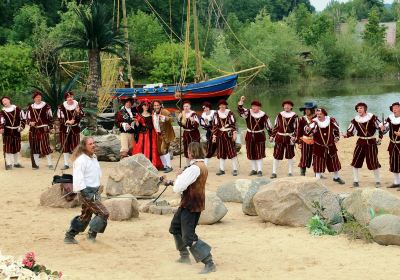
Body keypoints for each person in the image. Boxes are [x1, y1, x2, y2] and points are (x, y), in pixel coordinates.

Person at [169, 142, 216, 274]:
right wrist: (176, 179)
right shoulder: (200, 166)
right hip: (189, 204)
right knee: (175, 228)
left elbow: (178, 187)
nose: (187, 153)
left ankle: (209, 262)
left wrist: (178, 177)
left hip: (191, 205)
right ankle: (184, 257)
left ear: (191, 152)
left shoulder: (194, 168)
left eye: (188, 151)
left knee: (188, 237)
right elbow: (189, 183)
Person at [64, 137, 109, 244]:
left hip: (94, 191)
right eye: (90, 144)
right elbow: (78, 178)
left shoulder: (94, 157)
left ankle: (69, 236)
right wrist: (87, 194)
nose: (93, 145)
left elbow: (96, 174)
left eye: (94, 143)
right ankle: (91, 235)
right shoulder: (80, 160)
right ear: (84, 146)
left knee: (85, 216)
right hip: (86, 192)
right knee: (103, 213)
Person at [343, 103, 383, 188]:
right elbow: (351, 131)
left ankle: (378, 181)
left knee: (374, 162)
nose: (359, 110)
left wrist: (381, 132)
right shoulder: (355, 120)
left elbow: (381, 127)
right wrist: (346, 135)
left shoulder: (372, 118)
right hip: (360, 142)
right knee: (355, 161)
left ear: (365, 109)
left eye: (361, 108)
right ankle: (356, 180)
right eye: (358, 108)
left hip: (371, 142)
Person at [305, 108, 345, 184]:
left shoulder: (331, 120)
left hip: (330, 146)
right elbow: (307, 131)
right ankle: (317, 180)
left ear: (324, 114)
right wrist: (308, 129)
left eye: (320, 114)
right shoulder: (314, 122)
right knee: (318, 163)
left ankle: (336, 177)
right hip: (318, 146)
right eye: (317, 114)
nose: (318, 115)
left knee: (334, 162)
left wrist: (337, 137)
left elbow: (336, 130)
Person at [238, 96, 272, 176]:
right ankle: (254, 169)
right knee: (251, 153)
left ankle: (260, 170)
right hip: (250, 135)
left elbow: (269, 126)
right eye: (252, 106)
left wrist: (271, 135)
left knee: (259, 153)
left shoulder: (264, 115)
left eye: (255, 106)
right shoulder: (248, 113)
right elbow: (240, 111)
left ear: (259, 107)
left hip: (260, 136)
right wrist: (241, 101)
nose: (253, 108)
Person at [57, 91, 85, 170]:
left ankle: (76, 163)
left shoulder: (77, 105)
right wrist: (68, 121)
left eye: (71, 97)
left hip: (75, 129)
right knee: (65, 146)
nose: (70, 98)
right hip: (64, 129)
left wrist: (78, 112)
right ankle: (66, 164)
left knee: (75, 147)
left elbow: (82, 115)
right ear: (66, 98)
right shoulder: (61, 107)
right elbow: (60, 117)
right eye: (68, 97)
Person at [26, 91, 53, 169]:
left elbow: (50, 118)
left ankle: (50, 163)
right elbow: (27, 118)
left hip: (43, 128)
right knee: (35, 146)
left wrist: (50, 127)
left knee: (45, 145)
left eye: (39, 97)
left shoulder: (46, 106)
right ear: (34, 99)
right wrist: (30, 123)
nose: (38, 98)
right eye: (36, 97)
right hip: (33, 130)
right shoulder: (30, 107)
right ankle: (36, 164)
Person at [270, 100, 297, 178]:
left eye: (288, 105)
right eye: (285, 105)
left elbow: (297, 128)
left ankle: (290, 172)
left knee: (290, 155)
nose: (287, 106)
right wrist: (272, 136)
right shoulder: (279, 115)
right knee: (277, 155)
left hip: (289, 138)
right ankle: (274, 172)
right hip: (280, 137)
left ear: (291, 107)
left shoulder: (295, 116)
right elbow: (276, 126)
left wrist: (294, 136)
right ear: (283, 106)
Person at [132, 99, 163, 169]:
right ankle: (142, 165)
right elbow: (137, 127)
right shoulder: (139, 115)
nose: (146, 107)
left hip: (151, 134)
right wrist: (137, 124)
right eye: (144, 105)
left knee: (152, 149)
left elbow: (155, 124)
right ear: (142, 106)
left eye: (147, 105)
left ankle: (152, 164)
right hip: (142, 136)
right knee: (141, 149)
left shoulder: (152, 115)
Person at [213, 99, 238, 176]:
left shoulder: (230, 113)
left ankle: (235, 169)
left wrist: (234, 133)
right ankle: (222, 169)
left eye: (224, 105)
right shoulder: (216, 114)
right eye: (221, 105)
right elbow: (215, 125)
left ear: (225, 106)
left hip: (228, 134)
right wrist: (214, 135)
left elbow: (233, 124)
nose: (222, 106)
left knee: (232, 152)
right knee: (221, 152)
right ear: (219, 106)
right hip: (220, 135)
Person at [0, 96, 25, 170]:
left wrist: (21, 127)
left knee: (16, 147)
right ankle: (9, 164)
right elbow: (1, 121)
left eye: (5, 100)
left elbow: (23, 119)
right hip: (7, 131)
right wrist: (1, 128)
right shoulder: (2, 112)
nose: (4, 102)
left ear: (9, 100)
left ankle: (16, 163)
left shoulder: (17, 109)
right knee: (8, 148)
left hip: (16, 131)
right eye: (3, 102)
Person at [153, 99, 175, 173]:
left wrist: (166, 118)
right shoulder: (153, 113)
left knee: (163, 149)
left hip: (165, 134)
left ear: (160, 105)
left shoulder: (165, 111)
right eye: (155, 105)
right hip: (158, 134)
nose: (156, 107)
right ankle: (165, 166)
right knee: (159, 151)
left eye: (157, 105)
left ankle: (169, 166)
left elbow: (173, 119)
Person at [381, 102, 400, 189]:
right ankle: (396, 182)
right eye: (393, 108)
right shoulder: (390, 118)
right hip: (392, 143)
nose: (394, 109)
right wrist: (383, 128)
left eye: (396, 107)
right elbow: (385, 130)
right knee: (394, 162)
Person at [296, 102, 317, 176]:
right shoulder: (302, 119)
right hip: (305, 141)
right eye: (305, 110)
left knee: (316, 157)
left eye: (308, 109)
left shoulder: (317, 118)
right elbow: (299, 131)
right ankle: (302, 173)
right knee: (304, 157)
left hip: (316, 141)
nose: (306, 111)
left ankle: (317, 173)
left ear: (312, 110)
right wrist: (299, 142)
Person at [177, 100, 200, 167]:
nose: (185, 107)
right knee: (186, 148)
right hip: (186, 133)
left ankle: (195, 165)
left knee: (193, 149)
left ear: (190, 106)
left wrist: (193, 121)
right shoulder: (182, 114)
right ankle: (188, 165)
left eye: (187, 106)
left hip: (193, 134)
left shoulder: (193, 114)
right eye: (184, 106)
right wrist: (178, 119)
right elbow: (181, 125)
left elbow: (197, 125)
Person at [199, 102, 216, 166]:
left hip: (218, 132)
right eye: (204, 108)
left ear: (209, 108)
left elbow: (218, 123)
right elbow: (203, 125)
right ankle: (205, 163)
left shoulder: (214, 113)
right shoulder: (203, 115)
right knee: (210, 147)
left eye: (206, 107)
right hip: (209, 133)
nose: (205, 109)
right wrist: (208, 126)